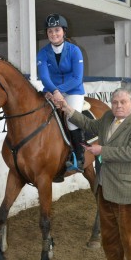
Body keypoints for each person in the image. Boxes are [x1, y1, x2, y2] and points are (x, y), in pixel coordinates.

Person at [53, 88, 131, 260]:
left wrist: (102, 150)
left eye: (123, 102)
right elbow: (88, 124)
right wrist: (67, 108)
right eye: (115, 102)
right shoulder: (107, 118)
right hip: (105, 189)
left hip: (128, 192)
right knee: (110, 238)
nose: (118, 106)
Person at [37, 13, 86, 172]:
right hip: (51, 91)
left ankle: (79, 155)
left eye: (57, 30)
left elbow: (77, 78)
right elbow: (44, 76)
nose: (53, 34)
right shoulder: (43, 53)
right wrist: (53, 91)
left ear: (64, 31)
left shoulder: (75, 50)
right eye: (50, 31)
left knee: (71, 120)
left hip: (73, 91)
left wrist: (59, 91)